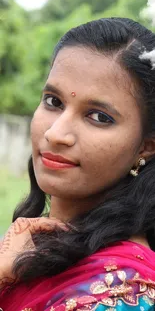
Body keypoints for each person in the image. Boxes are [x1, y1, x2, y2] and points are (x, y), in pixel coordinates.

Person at [0, 17, 155, 310]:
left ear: (146, 147)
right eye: (53, 102)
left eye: (99, 117)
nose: (55, 133)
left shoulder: (125, 293)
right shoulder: (24, 244)